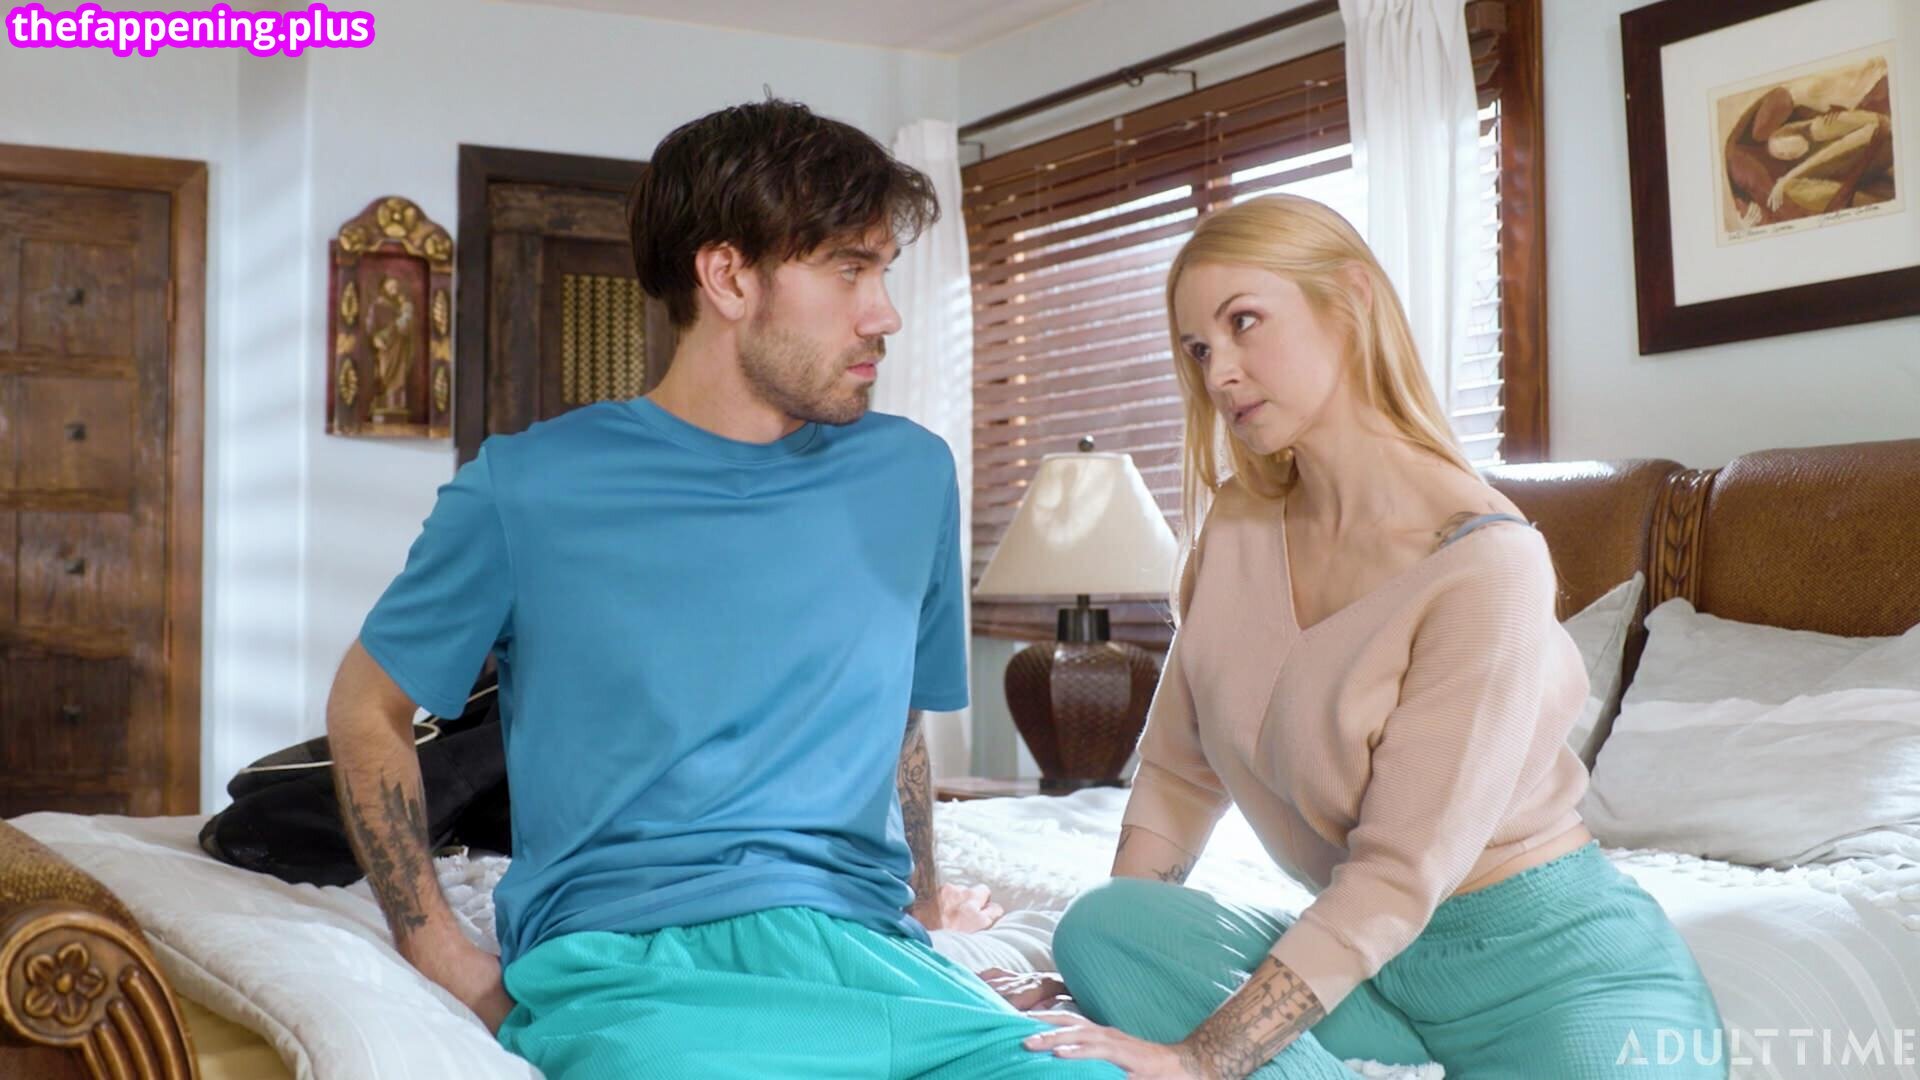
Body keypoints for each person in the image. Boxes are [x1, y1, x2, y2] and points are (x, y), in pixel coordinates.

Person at [324, 99, 1123, 1079]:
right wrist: (441, 953)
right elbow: (367, 706)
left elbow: (900, 724)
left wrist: (922, 914)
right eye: (849, 270)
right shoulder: (529, 487)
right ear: (728, 277)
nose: (884, 313)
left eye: (883, 271)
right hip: (637, 973)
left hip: (872, 962)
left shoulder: (912, 476)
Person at [1020, 195, 1726, 1079]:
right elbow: (1177, 773)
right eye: (1199, 349)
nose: (1220, 373)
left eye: (1244, 323)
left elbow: (1397, 875)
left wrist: (1205, 1057)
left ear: (1351, 300)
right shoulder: (1234, 528)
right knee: (1105, 928)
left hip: (1556, 979)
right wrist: (1105, 986)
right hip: (1373, 977)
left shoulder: (1485, 562)